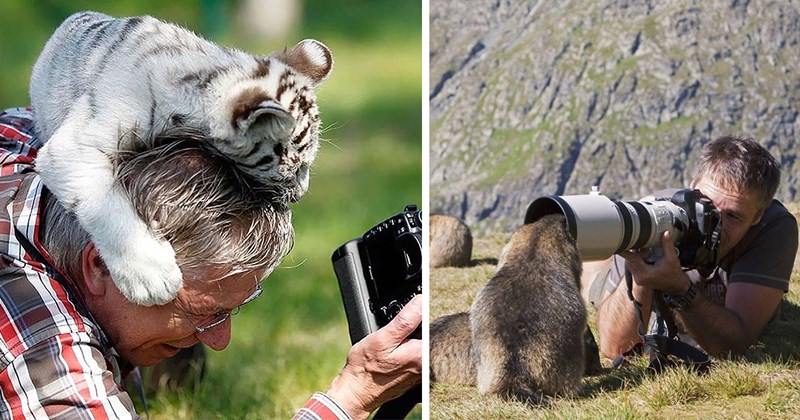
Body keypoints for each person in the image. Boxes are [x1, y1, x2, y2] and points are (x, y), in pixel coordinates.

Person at [0, 107, 421, 419]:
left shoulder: (55, 133)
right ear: (102, 265)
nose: (222, 341)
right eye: (205, 313)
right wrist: (348, 400)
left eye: (231, 310)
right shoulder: (41, 346)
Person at [593, 135, 798, 360]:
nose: (716, 225)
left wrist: (680, 289)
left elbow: (733, 346)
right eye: (707, 206)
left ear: (757, 216)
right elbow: (614, 347)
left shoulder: (772, 227)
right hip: (603, 277)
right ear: (691, 188)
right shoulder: (653, 217)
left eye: (733, 216)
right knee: (590, 277)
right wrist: (640, 273)